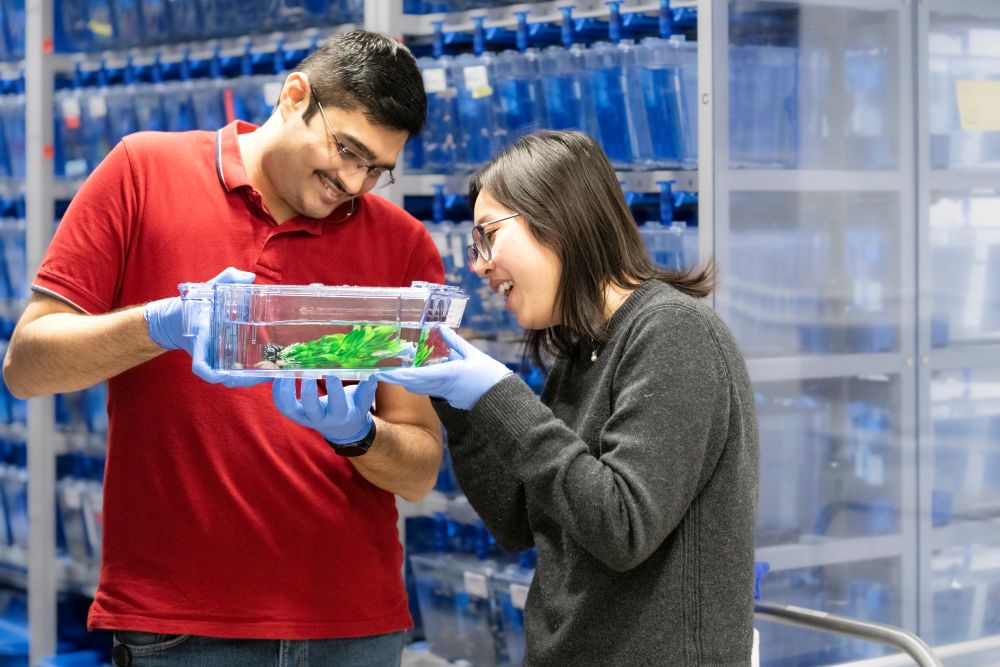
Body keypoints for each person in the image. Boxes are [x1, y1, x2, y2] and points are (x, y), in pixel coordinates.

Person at [2, 31, 445, 666]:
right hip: (183, 627)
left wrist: (357, 435)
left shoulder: (401, 244)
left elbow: (421, 469)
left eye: (377, 168)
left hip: (354, 629)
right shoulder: (143, 172)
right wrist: (159, 324)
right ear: (295, 96)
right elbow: (27, 366)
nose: (355, 182)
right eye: (347, 150)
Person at [370, 129, 760, 665]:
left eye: (488, 236)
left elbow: (622, 526)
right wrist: (457, 403)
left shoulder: (674, 332)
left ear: (556, 218)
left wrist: (497, 393)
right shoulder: (584, 352)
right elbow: (516, 521)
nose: (479, 265)